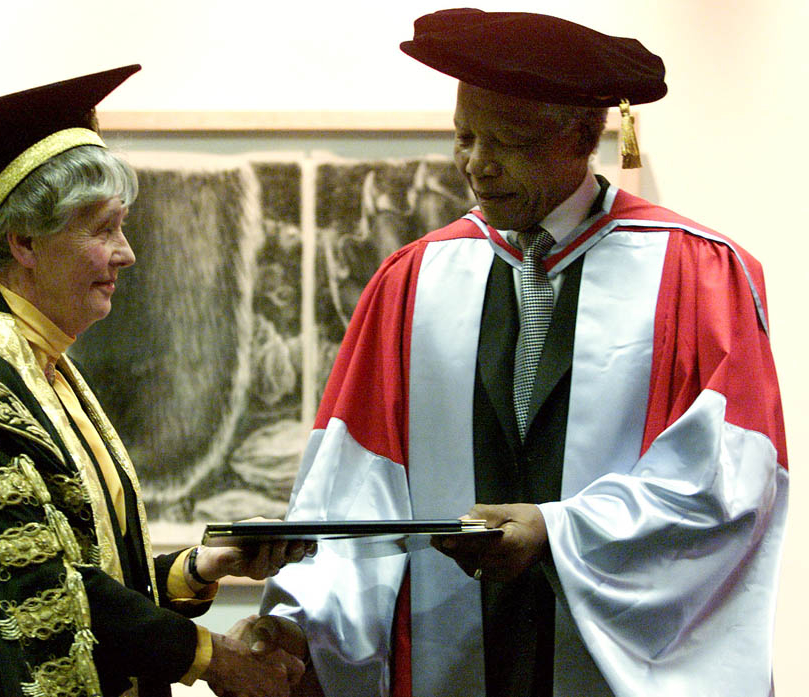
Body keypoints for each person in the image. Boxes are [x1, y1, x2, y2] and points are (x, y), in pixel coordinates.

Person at [242, 9, 789, 697]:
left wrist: (560, 532)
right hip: (447, 664)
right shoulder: (411, 282)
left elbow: (728, 486)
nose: (478, 164)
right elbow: (351, 491)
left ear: (584, 136)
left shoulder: (699, 273)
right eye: (465, 136)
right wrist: (297, 627)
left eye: (509, 140)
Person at [0, 65, 311, 697]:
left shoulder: (29, 360)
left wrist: (194, 569)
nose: (126, 252)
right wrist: (211, 657)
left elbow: (78, 567)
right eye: (103, 228)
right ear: (25, 242)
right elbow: (39, 598)